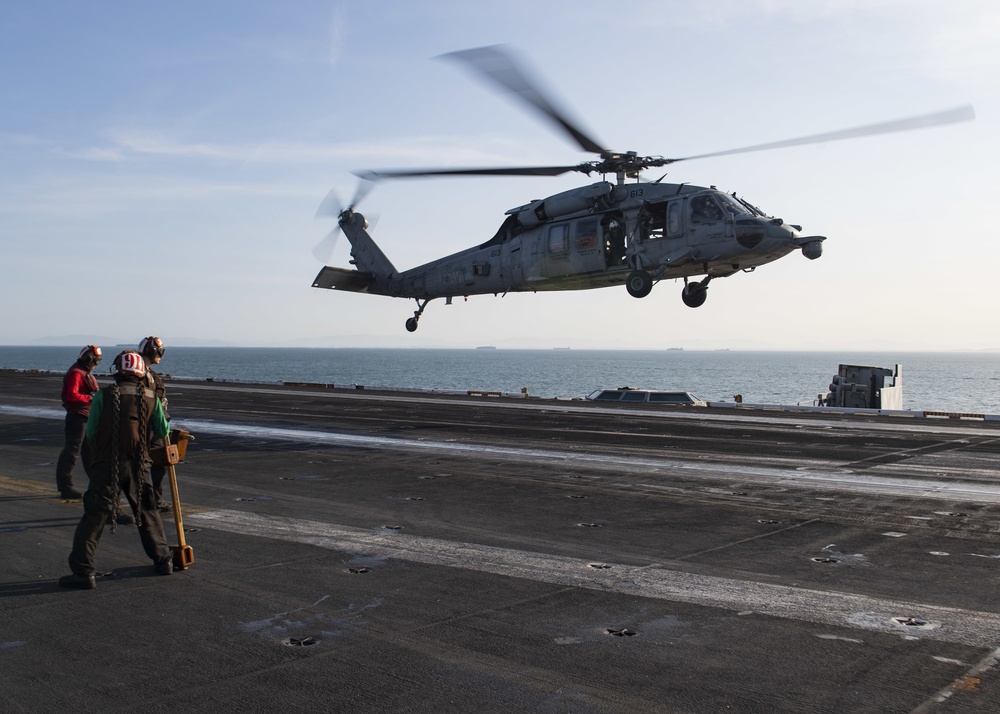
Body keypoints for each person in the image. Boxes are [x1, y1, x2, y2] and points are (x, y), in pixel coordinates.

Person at [59, 350, 175, 589]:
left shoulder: (103, 396)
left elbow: (91, 433)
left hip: (107, 464)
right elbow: (163, 432)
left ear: (117, 371)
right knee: (148, 512)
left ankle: (83, 572)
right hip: (139, 463)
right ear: (141, 372)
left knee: (95, 516)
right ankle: (164, 561)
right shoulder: (151, 396)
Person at [55, 345, 102, 499]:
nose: (97, 364)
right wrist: (90, 398)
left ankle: (95, 483)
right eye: (96, 360)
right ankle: (65, 486)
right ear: (90, 359)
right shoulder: (77, 373)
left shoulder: (82, 372)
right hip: (78, 416)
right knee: (72, 451)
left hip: (86, 415)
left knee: (89, 452)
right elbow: (72, 395)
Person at [138, 336, 171, 510]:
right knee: (147, 464)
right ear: (151, 351)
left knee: (159, 463)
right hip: (145, 426)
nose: (161, 355)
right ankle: (149, 500)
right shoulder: (140, 374)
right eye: (160, 352)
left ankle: (155, 499)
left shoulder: (150, 374)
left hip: (154, 424)